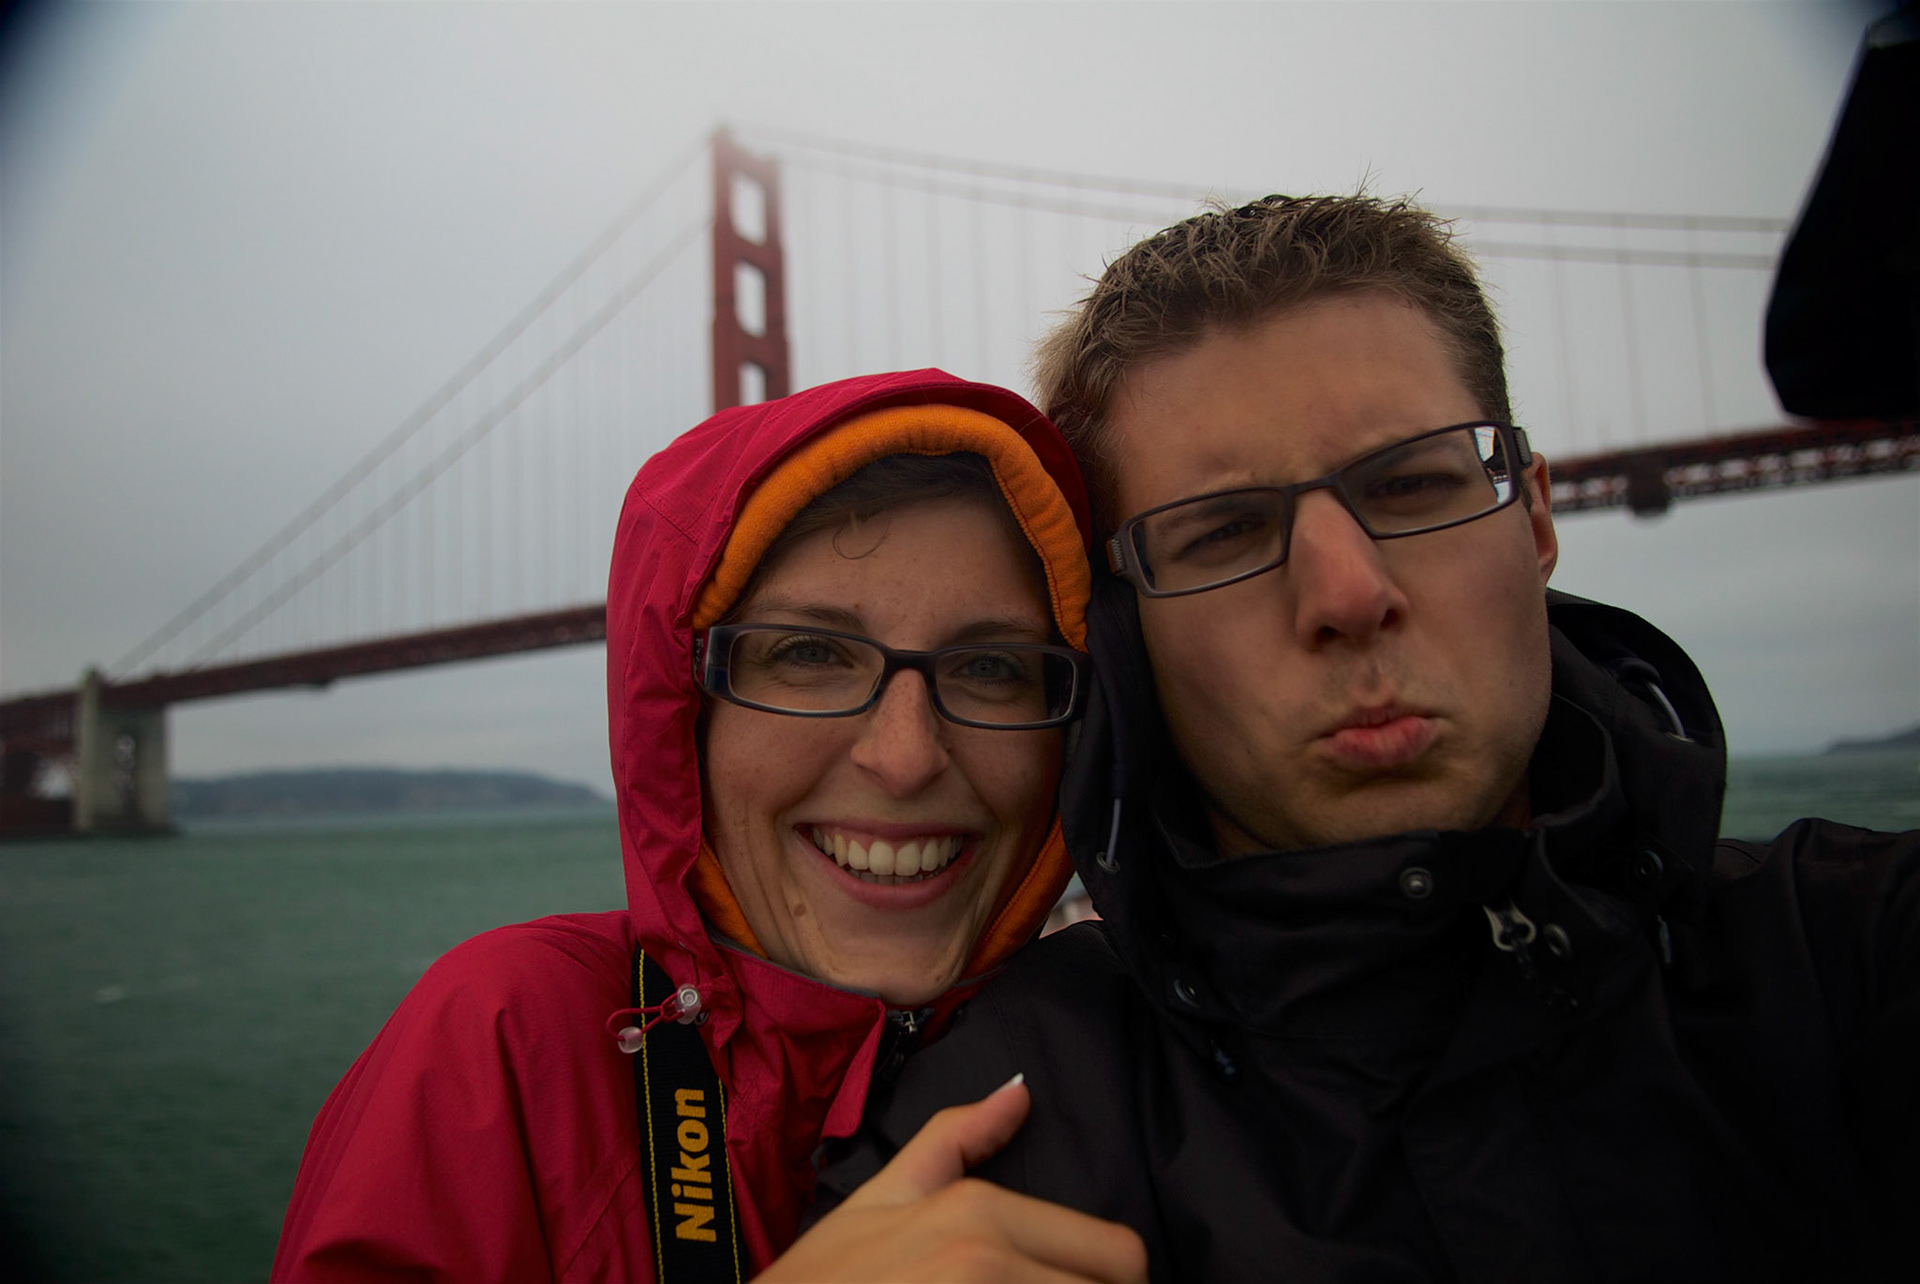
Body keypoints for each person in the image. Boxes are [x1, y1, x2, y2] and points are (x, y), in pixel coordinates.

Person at [812, 196, 1920, 1282]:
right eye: (1226, 532)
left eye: (1411, 485)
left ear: (1534, 518)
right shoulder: (1005, 1131)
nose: (1347, 593)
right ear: (1120, 627)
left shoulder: (1855, 957)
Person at [271, 369, 1146, 1283]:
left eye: (992, 668)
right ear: (681, 713)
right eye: (809, 654)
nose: (906, 755)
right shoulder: (507, 1044)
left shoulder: (1140, 1060)